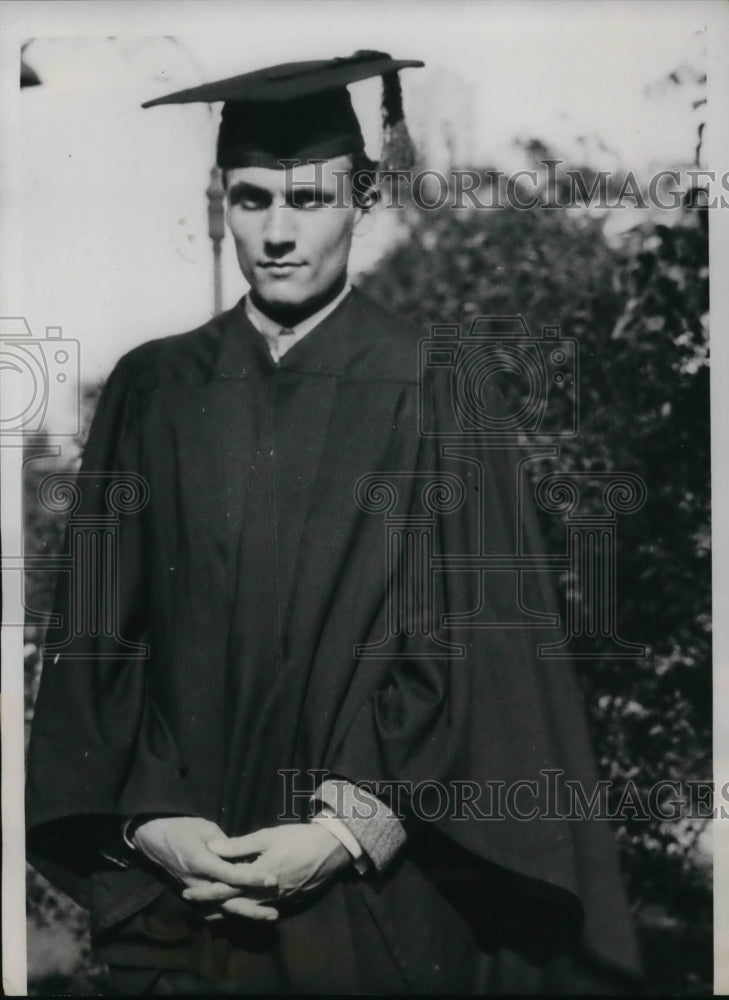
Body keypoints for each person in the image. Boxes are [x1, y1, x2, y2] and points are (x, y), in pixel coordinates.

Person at [26, 50, 642, 995]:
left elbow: (482, 653)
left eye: (307, 200)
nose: (276, 232)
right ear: (219, 201)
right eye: (250, 198)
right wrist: (154, 823)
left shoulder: (440, 384)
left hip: (376, 908)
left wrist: (343, 831)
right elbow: (101, 642)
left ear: (360, 198)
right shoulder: (154, 389)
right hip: (185, 902)